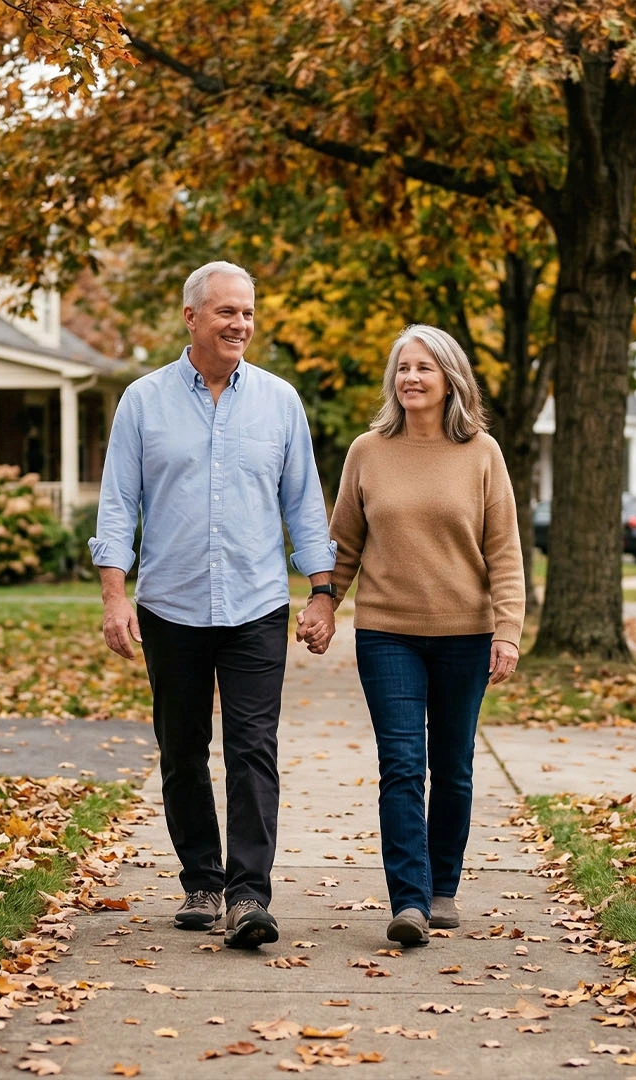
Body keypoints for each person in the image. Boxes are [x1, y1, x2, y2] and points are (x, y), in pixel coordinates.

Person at [90, 261, 339, 950]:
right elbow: (118, 506)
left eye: (248, 314)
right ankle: (202, 879)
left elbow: (304, 507)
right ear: (192, 316)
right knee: (182, 749)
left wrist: (321, 593)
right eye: (227, 312)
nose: (240, 325)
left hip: (257, 604)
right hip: (170, 606)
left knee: (253, 748)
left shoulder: (280, 402)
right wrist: (115, 597)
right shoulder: (142, 402)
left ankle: (249, 895)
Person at [326, 324, 524, 947]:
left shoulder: (482, 454)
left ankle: (443, 889)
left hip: (465, 633)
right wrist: (323, 600)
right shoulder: (368, 450)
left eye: (424, 368)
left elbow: (506, 552)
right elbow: (344, 543)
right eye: (403, 368)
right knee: (403, 765)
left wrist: (507, 630)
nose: (410, 378)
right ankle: (408, 900)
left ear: (450, 380)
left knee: (454, 768)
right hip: (387, 633)